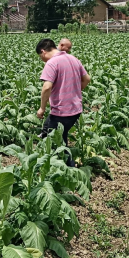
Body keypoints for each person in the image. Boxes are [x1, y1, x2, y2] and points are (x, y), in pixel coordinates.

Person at [36, 38, 91, 166]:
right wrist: (75, 90)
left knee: (58, 143)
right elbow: (87, 79)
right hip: (75, 110)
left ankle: (70, 172)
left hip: (62, 111)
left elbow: (47, 87)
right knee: (50, 129)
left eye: (40, 56)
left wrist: (42, 108)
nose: (41, 59)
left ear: (43, 52)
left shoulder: (51, 63)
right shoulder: (73, 59)